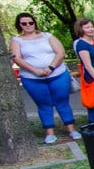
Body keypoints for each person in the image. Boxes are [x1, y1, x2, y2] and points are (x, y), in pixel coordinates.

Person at [10, 12, 80, 143]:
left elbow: (60, 52)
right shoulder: (16, 40)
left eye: (30, 22)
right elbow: (17, 58)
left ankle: (71, 129)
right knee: (44, 104)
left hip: (57, 74)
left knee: (62, 102)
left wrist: (50, 67)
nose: (28, 25)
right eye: (24, 23)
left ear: (34, 23)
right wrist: (35, 70)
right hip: (32, 78)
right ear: (19, 25)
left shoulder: (47, 36)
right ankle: (49, 133)